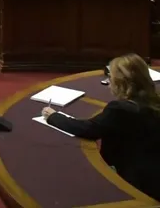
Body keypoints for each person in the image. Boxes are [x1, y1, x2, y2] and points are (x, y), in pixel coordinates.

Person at [42, 54, 160, 202]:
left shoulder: (120, 109)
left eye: (110, 78)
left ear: (121, 83)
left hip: (134, 180)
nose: (108, 83)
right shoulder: (155, 100)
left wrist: (54, 116)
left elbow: (88, 129)